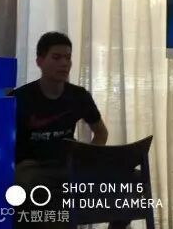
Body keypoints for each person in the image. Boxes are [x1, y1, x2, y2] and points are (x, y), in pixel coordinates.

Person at [10, 32, 126, 229]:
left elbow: (101, 132)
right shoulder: (20, 98)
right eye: (56, 57)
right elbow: (0, 142)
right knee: (36, 195)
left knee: (127, 188)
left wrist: (87, 159)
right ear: (40, 61)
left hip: (67, 166)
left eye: (68, 58)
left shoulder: (79, 96)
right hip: (32, 169)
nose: (64, 63)